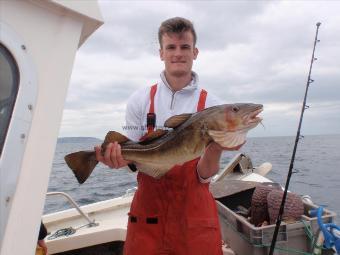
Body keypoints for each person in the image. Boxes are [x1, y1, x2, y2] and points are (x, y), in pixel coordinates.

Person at [95, 17, 243, 255]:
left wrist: (216, 148)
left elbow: (205, 176)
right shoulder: (139, 100)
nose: (178, 53)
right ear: (161, 53)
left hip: (194, 211)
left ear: (195, 52)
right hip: (148, 211)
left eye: (184, 47)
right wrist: (119, 160)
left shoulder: (214, 106)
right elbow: (134, 158)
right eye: (171, 47)